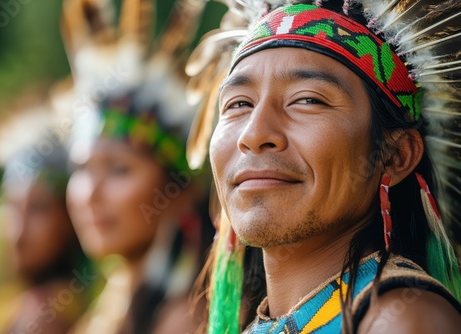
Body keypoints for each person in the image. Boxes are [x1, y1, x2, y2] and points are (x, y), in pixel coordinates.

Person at [185, 0, 461, 333]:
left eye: (308, 100)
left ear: (396, 154)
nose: (254, 134)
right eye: (239, 104)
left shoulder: (401, 319)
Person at [60, 0, 213, 333]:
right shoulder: (109, 309)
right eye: (81, 169)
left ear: (180, 190)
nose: (89, 193)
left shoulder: (185, 320)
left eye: (118, 170)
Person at [0, 94, 91, 334]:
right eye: (12, 205)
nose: (19, 228)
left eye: (38, 208)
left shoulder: (46, 319)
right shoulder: (10, 299)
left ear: (69, 219)